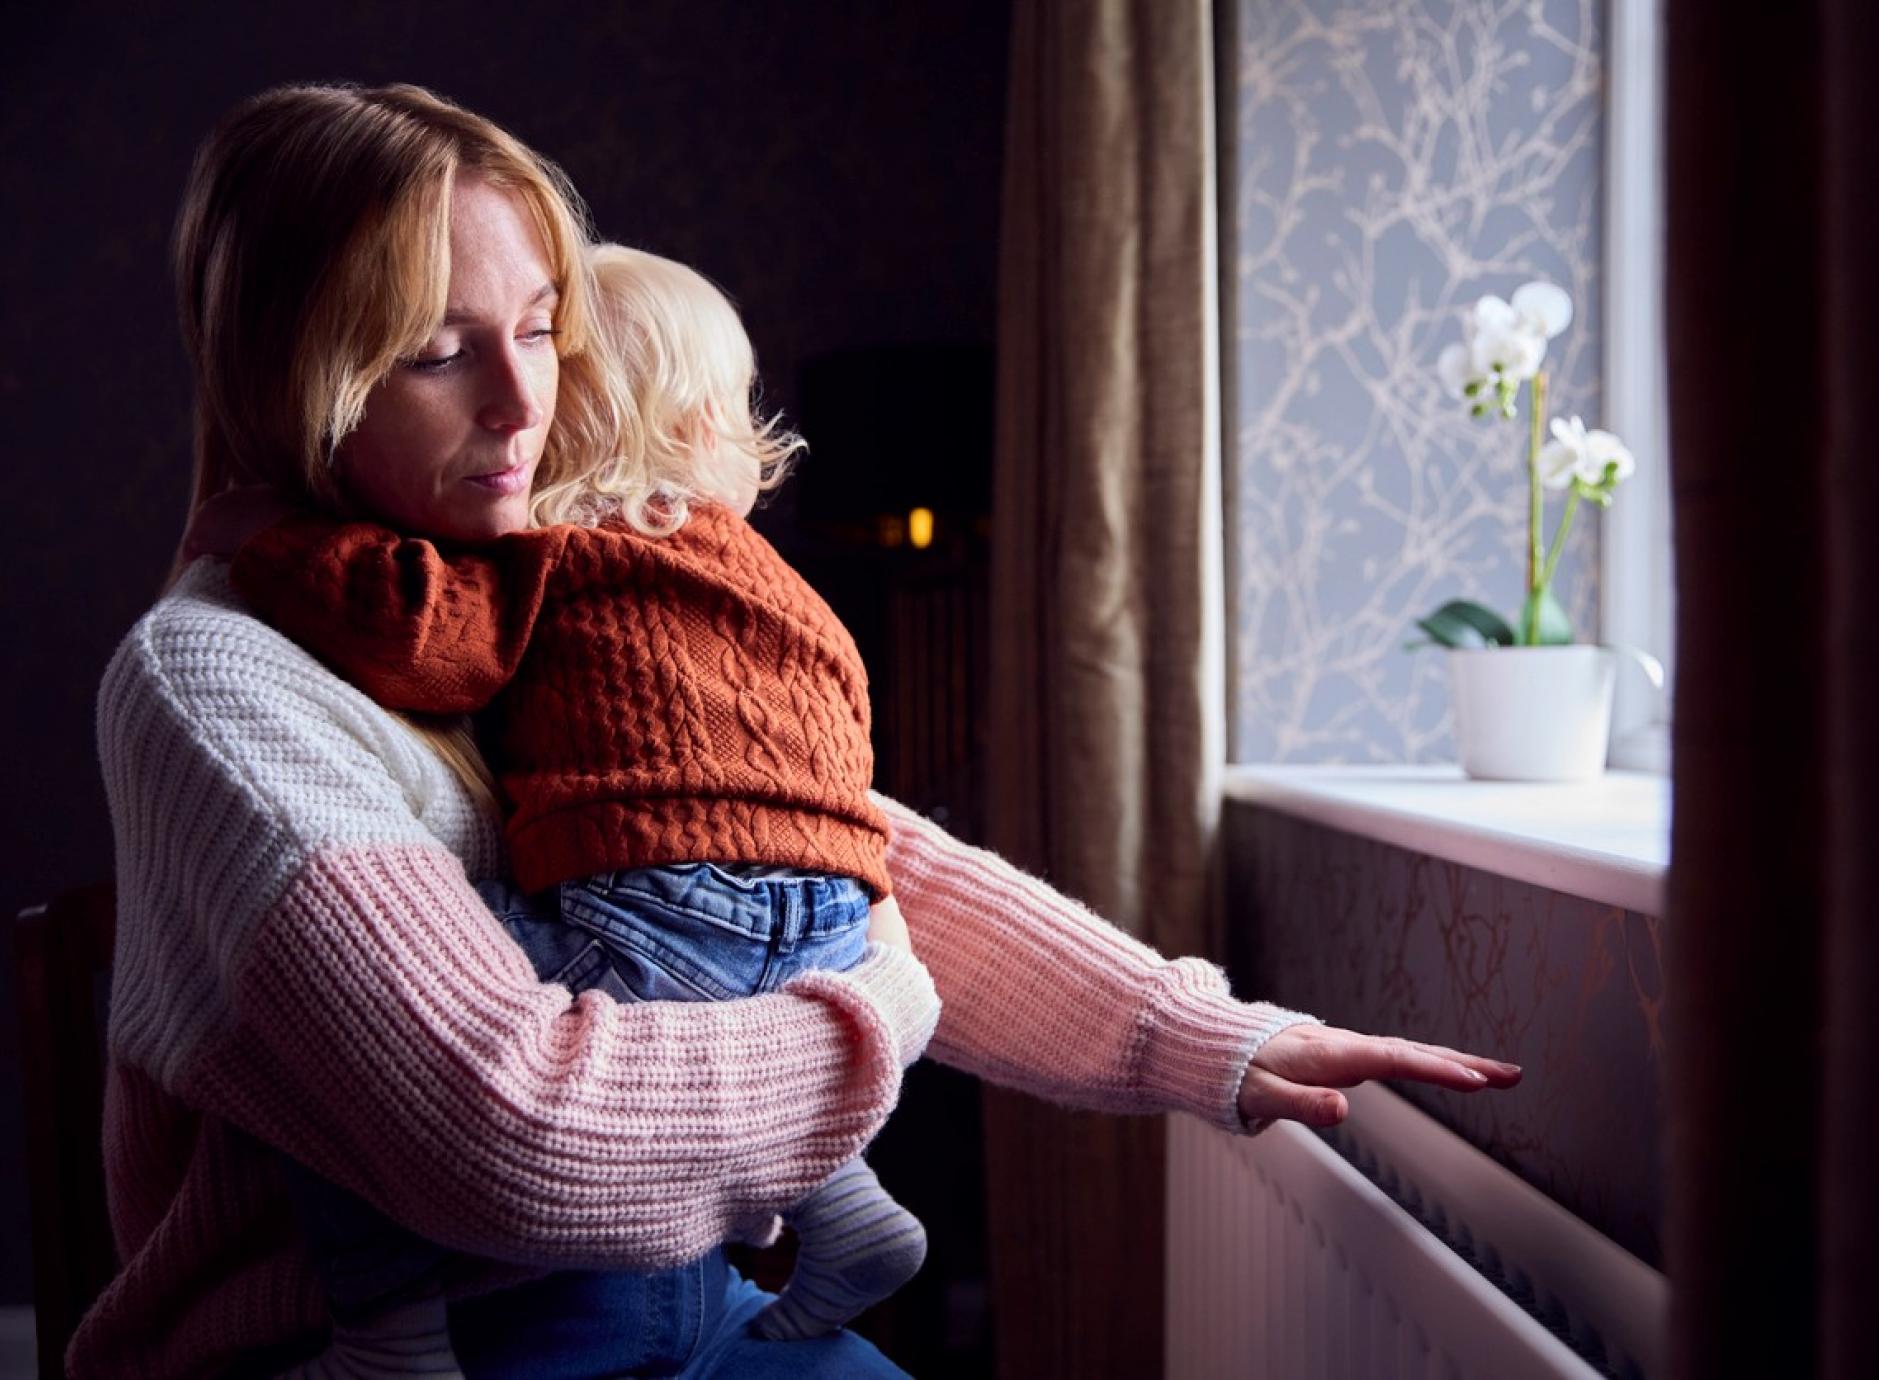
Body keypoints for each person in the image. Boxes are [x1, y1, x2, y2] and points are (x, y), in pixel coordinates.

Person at [78, 81, 1521, 1379]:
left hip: (680, 1312)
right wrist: (877, 1016)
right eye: (439, 355)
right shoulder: (219, 683)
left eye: (539, 331)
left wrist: (1202, 1037)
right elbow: (519, 1135)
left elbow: (834, 852)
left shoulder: (521, 586)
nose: (530, 406)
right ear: (299, 380)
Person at [207, 244, 932, 1353]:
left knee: (340, 1049)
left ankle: (386, 1330)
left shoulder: (560, 549)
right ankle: (843, 1199)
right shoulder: (781, 589)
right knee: (739, 991)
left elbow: (417, 640)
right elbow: (834, 754)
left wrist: (270, 541)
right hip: (836, 912)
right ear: (704, 435)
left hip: (669, 901)